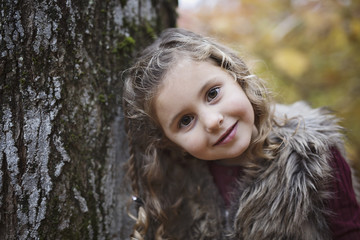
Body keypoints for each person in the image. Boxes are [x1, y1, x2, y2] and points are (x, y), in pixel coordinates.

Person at [122, 28, 360, 239]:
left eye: (212, 94)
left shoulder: (314, 156)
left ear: (236, 77)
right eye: (185, 121)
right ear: (169, 142)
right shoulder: (176, 193)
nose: (213, 121)